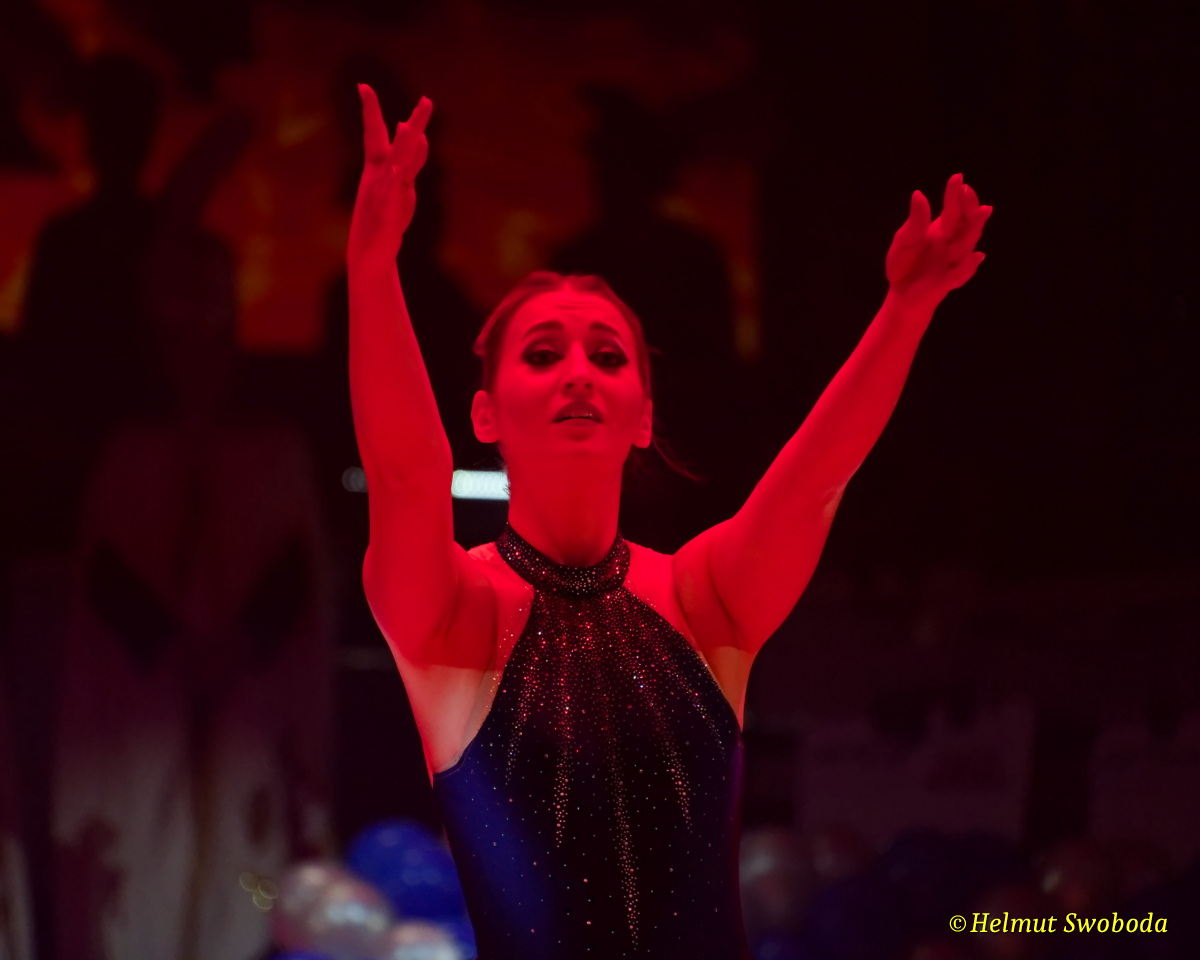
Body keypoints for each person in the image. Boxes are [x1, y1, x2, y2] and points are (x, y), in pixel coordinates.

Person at [348, 84, 991, 960]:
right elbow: (402, 473)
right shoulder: (458, 614)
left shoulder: (701, 599)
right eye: (543, 354)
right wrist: (373, 264)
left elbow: (815, 482)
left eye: (607, 355)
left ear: (644, 416)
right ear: (486, 414)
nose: (579, 371)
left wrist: (906, 309)